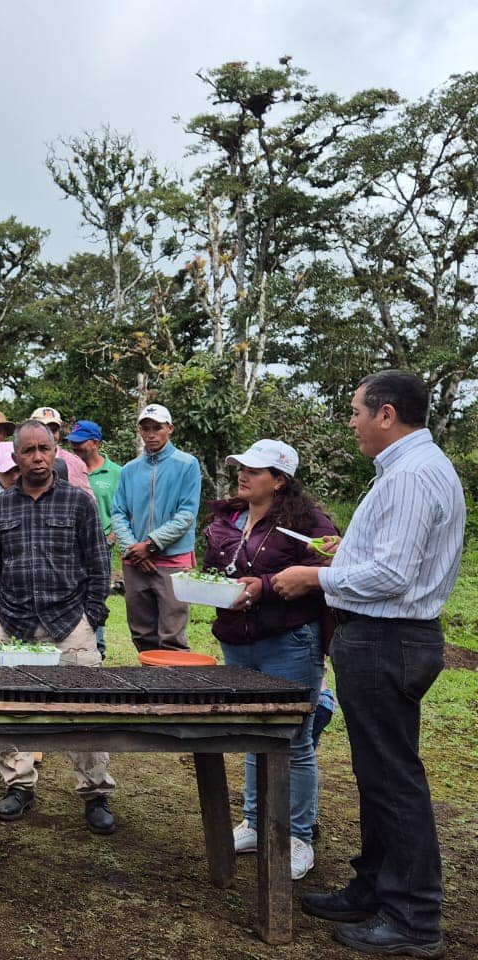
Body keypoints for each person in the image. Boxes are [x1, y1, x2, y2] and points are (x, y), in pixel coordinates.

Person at [273, 371, 463, 958]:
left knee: (392, 778)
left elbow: (393, 575)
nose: (351, 422)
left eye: (356, 411)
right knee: (379, 773)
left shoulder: (410, 475)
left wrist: (315, 576)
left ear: (386, 414)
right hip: (386, 637)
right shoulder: (409, 469)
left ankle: (413, 917)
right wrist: (347, 555)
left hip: (388, 638)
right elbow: (390, 560)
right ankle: (375, 888)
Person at [201, 439, 338, 881]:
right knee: (252, 731)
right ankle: (255, 822)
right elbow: (215, 569)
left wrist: (265, 586)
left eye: (255, 470)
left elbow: (328, 574)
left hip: (289, 641)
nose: (243, 475)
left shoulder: (308, 523)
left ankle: (297, 836)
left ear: (279, 480)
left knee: (293, 739)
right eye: (241, 467)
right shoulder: (229, 517)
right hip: (237, 639)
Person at [0, 420, 116, 833]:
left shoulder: (79, 502)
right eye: (29, 450)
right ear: (15, 457)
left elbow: (98, 565)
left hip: (70, 622)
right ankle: (18, 785)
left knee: (84, 709)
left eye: (45, 449)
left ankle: (95, 792)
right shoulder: (0, 506)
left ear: (55, 452)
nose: (38, 457)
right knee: (11, 707)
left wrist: (91, 615)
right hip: (12, 621)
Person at [111, 403, 201, 653]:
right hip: (135, 561)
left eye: (157, 428)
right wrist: (133, 550)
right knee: (141, 633)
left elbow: (186, 514)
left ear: (169, 429)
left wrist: (150, 545)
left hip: (172, 559)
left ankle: (174, 679)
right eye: (145, 428)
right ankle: (149, 678)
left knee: (172, 634)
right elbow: (118, 513)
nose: (151, 434)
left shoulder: (187, 464)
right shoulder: (129, 470)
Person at [67, 419, 123, 658]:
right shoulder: (68, 468)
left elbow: (124, 509)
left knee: (96, 594)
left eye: (80, 442)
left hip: (101, 544)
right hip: (71, 545)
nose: (75, 447)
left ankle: (97, 647)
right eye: (73, 442)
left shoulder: (116, 473)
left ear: (96, 443)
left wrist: (112, 536)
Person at [28, 407, 96, 499]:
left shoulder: (75, 463)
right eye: (44, 430)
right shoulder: (21, 461)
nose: (49, 435)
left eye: (54, 430)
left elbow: (88, 501)